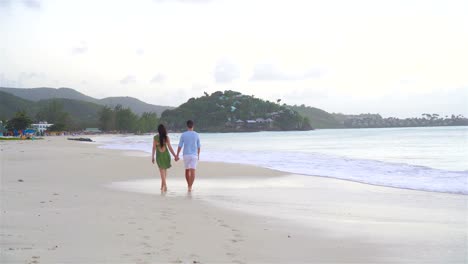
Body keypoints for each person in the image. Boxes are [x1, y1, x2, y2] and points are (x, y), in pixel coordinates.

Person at [176, 120, 201, 192]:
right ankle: (190, 187)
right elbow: (199, 146)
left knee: (187, 170)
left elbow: (180, 146)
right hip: (194, 155)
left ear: (187, 126)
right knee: (193, 171)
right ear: (193, 126)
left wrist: (177, 155)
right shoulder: (196, 134)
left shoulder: (183, 135)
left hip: (186, 155)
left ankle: (188, 185)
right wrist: (198, 155)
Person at [152, 124, 178, 192]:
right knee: (164, 171)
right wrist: (175, 155)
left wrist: (152, 157)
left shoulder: (155, 138)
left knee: (162, 172)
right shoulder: (166, 138)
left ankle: (164, 185)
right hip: (166, 155)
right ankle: (163, 186)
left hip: (159, 156)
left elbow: (154, 148)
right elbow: (170, 147)